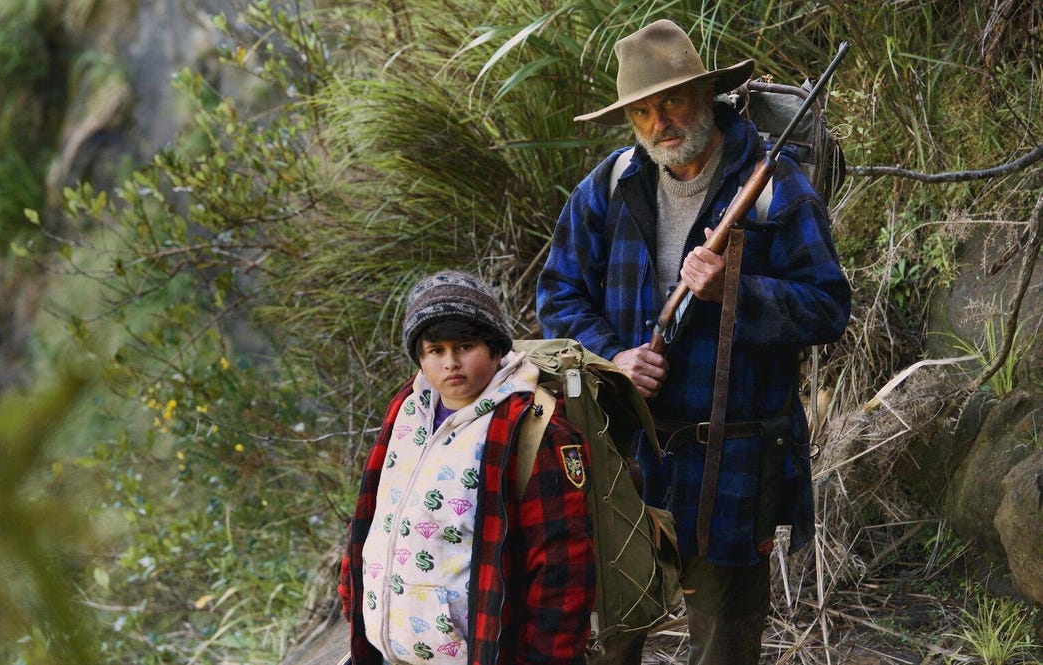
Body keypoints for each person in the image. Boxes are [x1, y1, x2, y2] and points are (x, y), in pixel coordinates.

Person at [536, 19, 851, 665]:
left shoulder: (775, 186)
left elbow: (828, 308)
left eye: (673, 101)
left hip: (733, 458)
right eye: (643, 111)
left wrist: (736, 288)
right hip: (629, 454)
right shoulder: (611, 184)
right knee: (609, 636)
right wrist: (611, 358)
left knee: (726, 641)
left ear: (707, 94)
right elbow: (558, 295)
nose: (660, 123)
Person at [339, 270, 596, 665]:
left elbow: (562, 565)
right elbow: (373, 513)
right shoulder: (408, 410)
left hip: (479, 652)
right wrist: (353, 596)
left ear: (495, 349)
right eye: (435, 350)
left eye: (465, 345)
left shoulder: (532, 429)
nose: (451, 363)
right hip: (392, 651)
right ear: (419, 357)